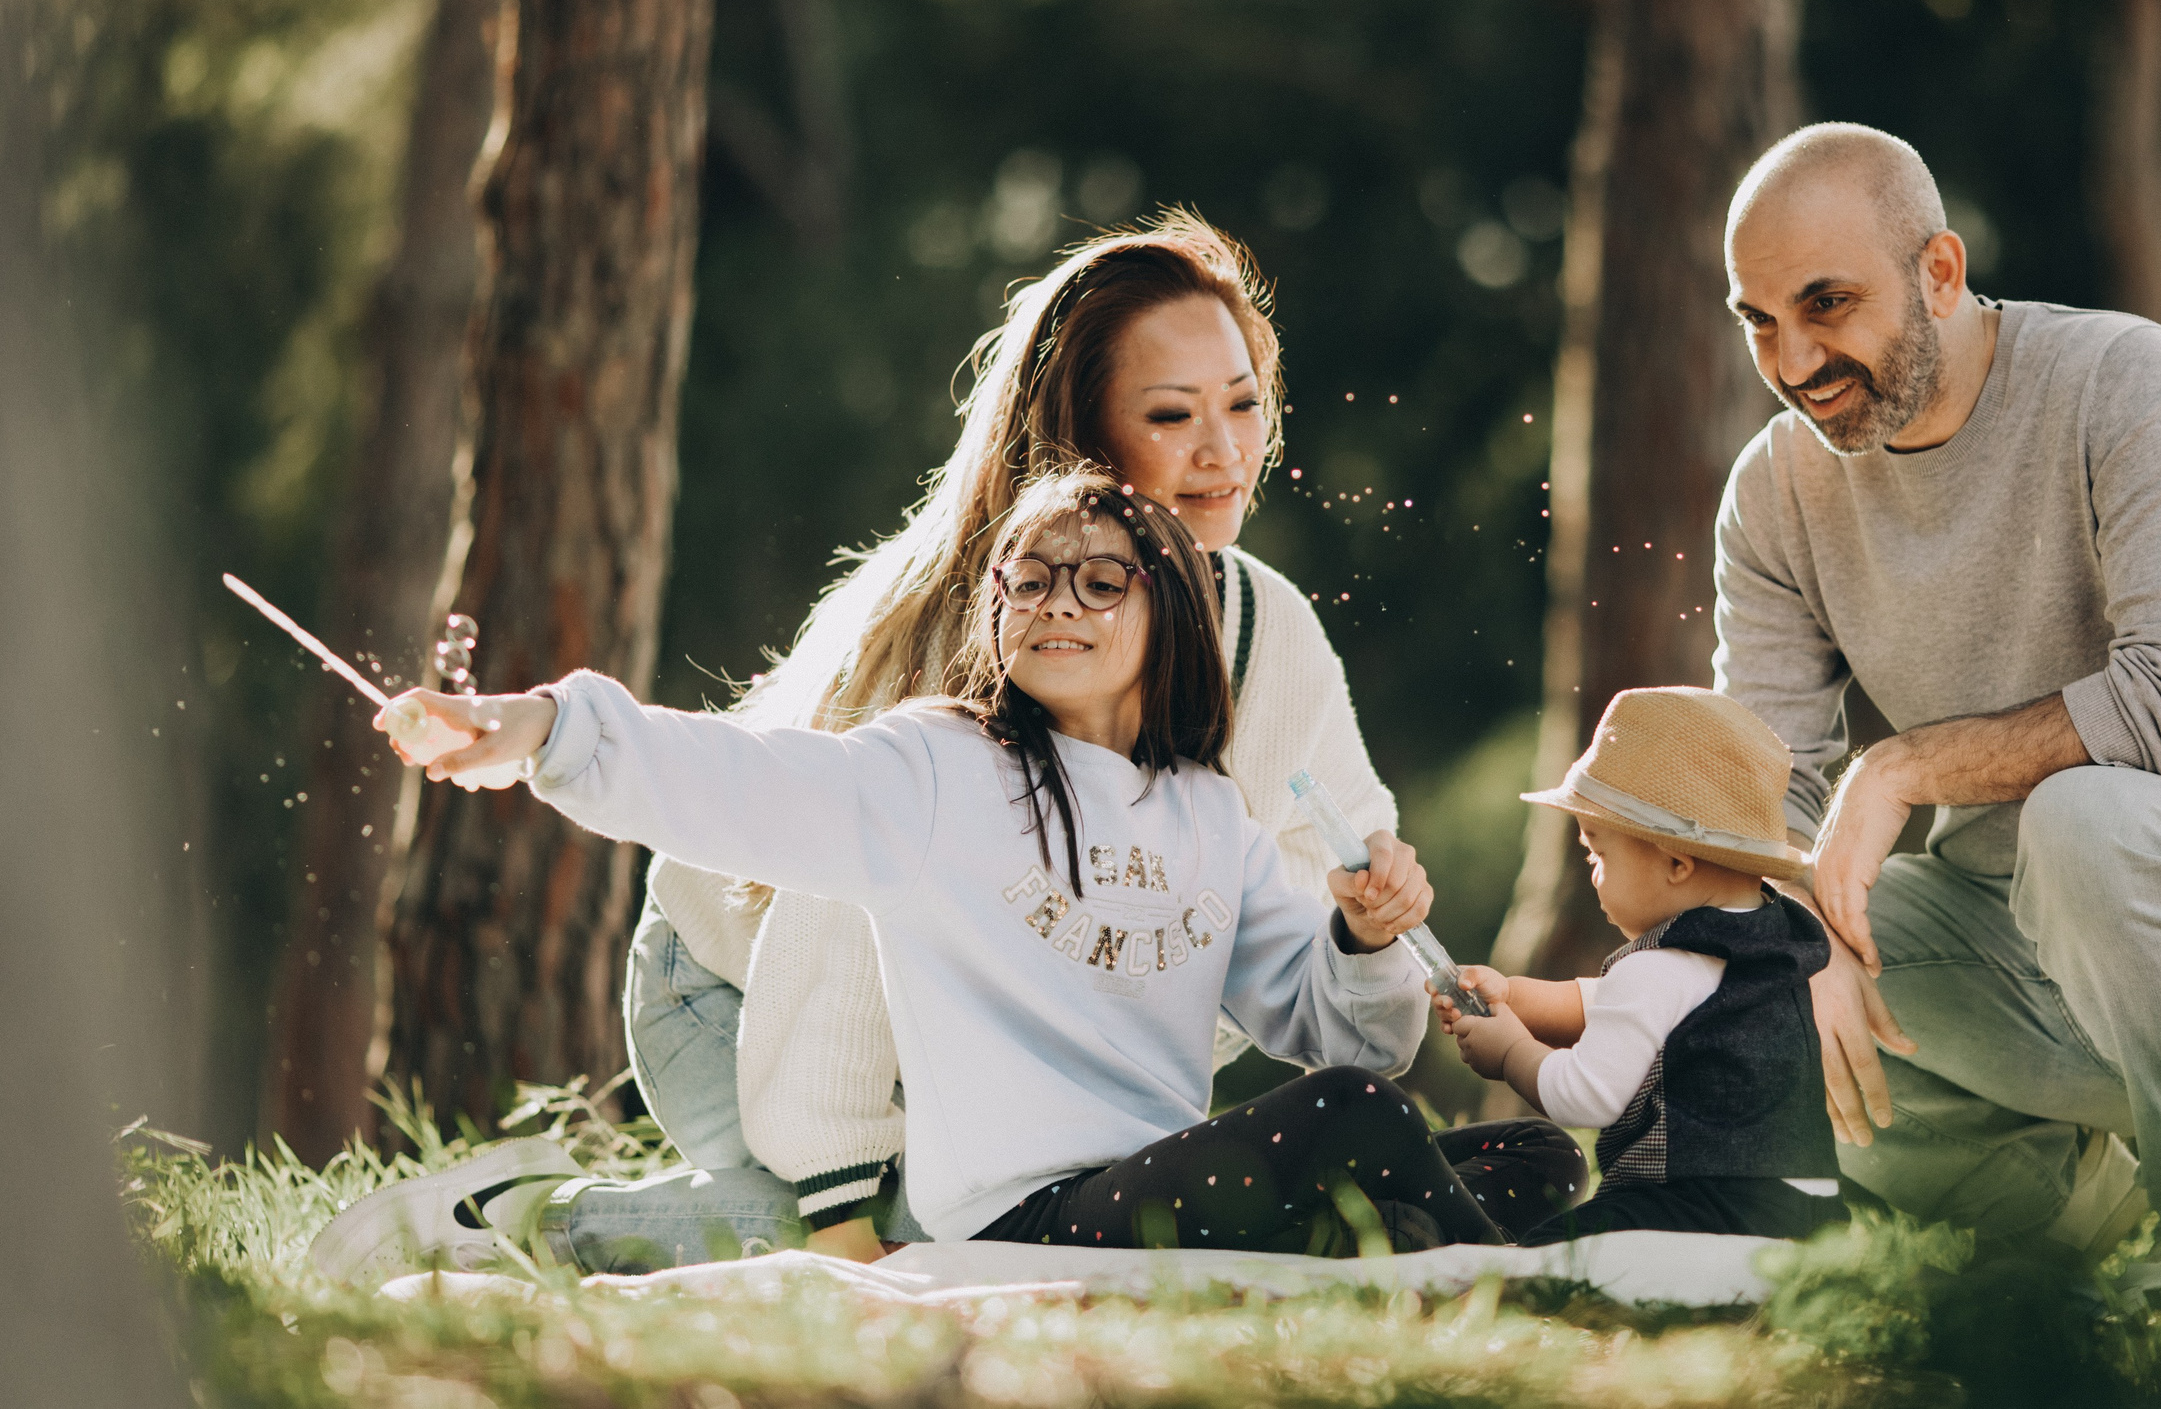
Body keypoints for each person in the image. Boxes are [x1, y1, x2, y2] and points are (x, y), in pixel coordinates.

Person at [623, 210, 1578, 1262]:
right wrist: (839, 1202)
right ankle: (521, 1218)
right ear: (1081, 437)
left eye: (1245, 405)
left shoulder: (1266, 625)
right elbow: (836, 931)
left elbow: (1314, 869)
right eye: (1172, 416)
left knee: (1482, 1157)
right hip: (743, 996)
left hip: (1020, 1075)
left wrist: (1370, 930)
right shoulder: (1012, 624)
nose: (1224, 453)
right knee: (844, 1235)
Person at [317, 473, 1520, 1284]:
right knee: (1358, 1130)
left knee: (1523, 1158)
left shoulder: (1213, 816)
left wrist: (1362, 941)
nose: (1057, 603)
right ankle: (1519, 1296)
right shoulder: (943, 766)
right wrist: (539, 727)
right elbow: (734, 777)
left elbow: (1348, 1036)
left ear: (1173, 612)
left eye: (1100, 580)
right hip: (1025, 1219)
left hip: (1159, 1188)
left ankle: (1446, 1259)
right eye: (1028, 579)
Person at [1712, 122, 2161, 1295]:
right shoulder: (1775, 492)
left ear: (1939, 272)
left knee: (2086, 817)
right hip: (2021, 958)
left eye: (1827, 305)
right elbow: (1765, 783)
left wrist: (1900, 771)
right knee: (1746, 972)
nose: (1793, 359)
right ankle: (2078, 1247)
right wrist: (1793, 929)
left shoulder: (2123, 381)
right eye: (1759, 321)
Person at [1436, 687, 1846, 1244]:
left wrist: (1510, 1052)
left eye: (1597, 853)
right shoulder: (1765, 945)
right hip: (1803, 1216)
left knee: (1540, 1255)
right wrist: (1512, 995)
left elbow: (1586, 1095)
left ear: (1676, 863)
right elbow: (1607, 1004)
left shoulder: (1660, 966)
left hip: (1694, 1214)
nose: (1592, 873)